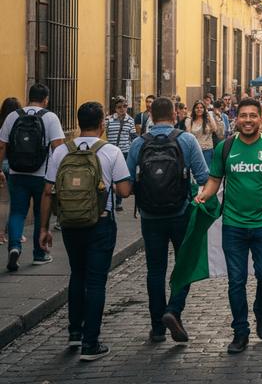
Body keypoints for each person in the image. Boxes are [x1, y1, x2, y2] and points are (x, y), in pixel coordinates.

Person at [195, 98, 262, 354]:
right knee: (236, 281)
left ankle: (261, 312)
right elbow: (215, 180)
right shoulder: (226, 148)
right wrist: (204, 195)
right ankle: (240, 331)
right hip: (233, 225)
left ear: (260, 119)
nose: (248, 120)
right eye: (243, 116)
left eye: (253, 116)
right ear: (237, 119)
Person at [39, 101, 131, 361]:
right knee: (96, 280)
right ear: (102, 124)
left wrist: (43, 228)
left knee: (77, 274)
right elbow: (125, 191)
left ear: (79, 124)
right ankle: (91, 343)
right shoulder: (111, 151)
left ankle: (74, 333)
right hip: (101, 223)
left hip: (69, 225)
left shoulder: (61, 152)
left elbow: (48, 191)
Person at [127, 97, 209, 344]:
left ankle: (157, 327)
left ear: (150, 115)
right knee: (184, 265)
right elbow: (204, 175)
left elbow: (128, 183)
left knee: (155, 270)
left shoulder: (138, 144)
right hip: (180, 213)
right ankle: (173, 310)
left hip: (150, 216)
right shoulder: (186, 140)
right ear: (174, 115)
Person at [0, 83, 65, 271]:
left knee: (17, 212)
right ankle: (39, 253)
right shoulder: (50, 117)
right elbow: (58, 148)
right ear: (46, 99)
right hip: (42, 175)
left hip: (16, 173)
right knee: (40, 214)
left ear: (29, 97)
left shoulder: (13, 116)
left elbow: (2, 145)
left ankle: (14, 247)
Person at [105, 96, 136, 212]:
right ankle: (109, 200)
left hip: (124, 152)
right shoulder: (108, 120)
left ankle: (118, 202)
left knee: (120, 178)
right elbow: (107, 134)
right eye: (119, 107)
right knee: (109, 177)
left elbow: (132, 136)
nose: (122, 109)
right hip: (111, 152)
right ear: (115, 108)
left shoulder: (130, 120)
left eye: (124, 106)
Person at [0, 97, 22, 245]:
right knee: (12, 202)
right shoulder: (18, 123)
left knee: (3, 201)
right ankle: (12, 234)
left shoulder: (2, 124)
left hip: (2, 164)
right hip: (14, 166)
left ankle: (1, 234)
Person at [185, 100, 223, 166]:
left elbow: (215, 129)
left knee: (207, 173)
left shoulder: (208, 120)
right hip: (195, 151)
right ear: (194, 109)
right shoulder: (189, 121)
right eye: (197, 108)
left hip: (207, 151)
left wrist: (209, 116)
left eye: (201, 107)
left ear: (204, 109)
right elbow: (188, 135)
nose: (199, 109)